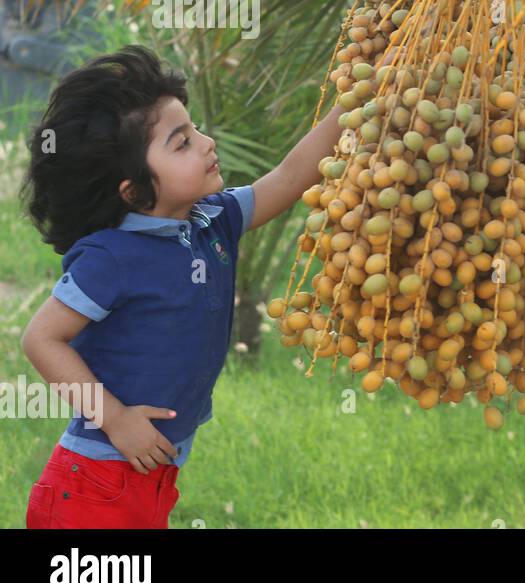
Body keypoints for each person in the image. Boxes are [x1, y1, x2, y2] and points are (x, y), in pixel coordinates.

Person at [18, 44, 366, 527]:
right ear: (134, 190)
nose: (206, 142)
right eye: (181, 143)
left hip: (152, 475)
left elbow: (289, 178)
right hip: (95, 484)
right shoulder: (112, 256)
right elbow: (40, 338)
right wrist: (113, 419)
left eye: (194, 128)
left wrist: (358, 99)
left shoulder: (211, 221)